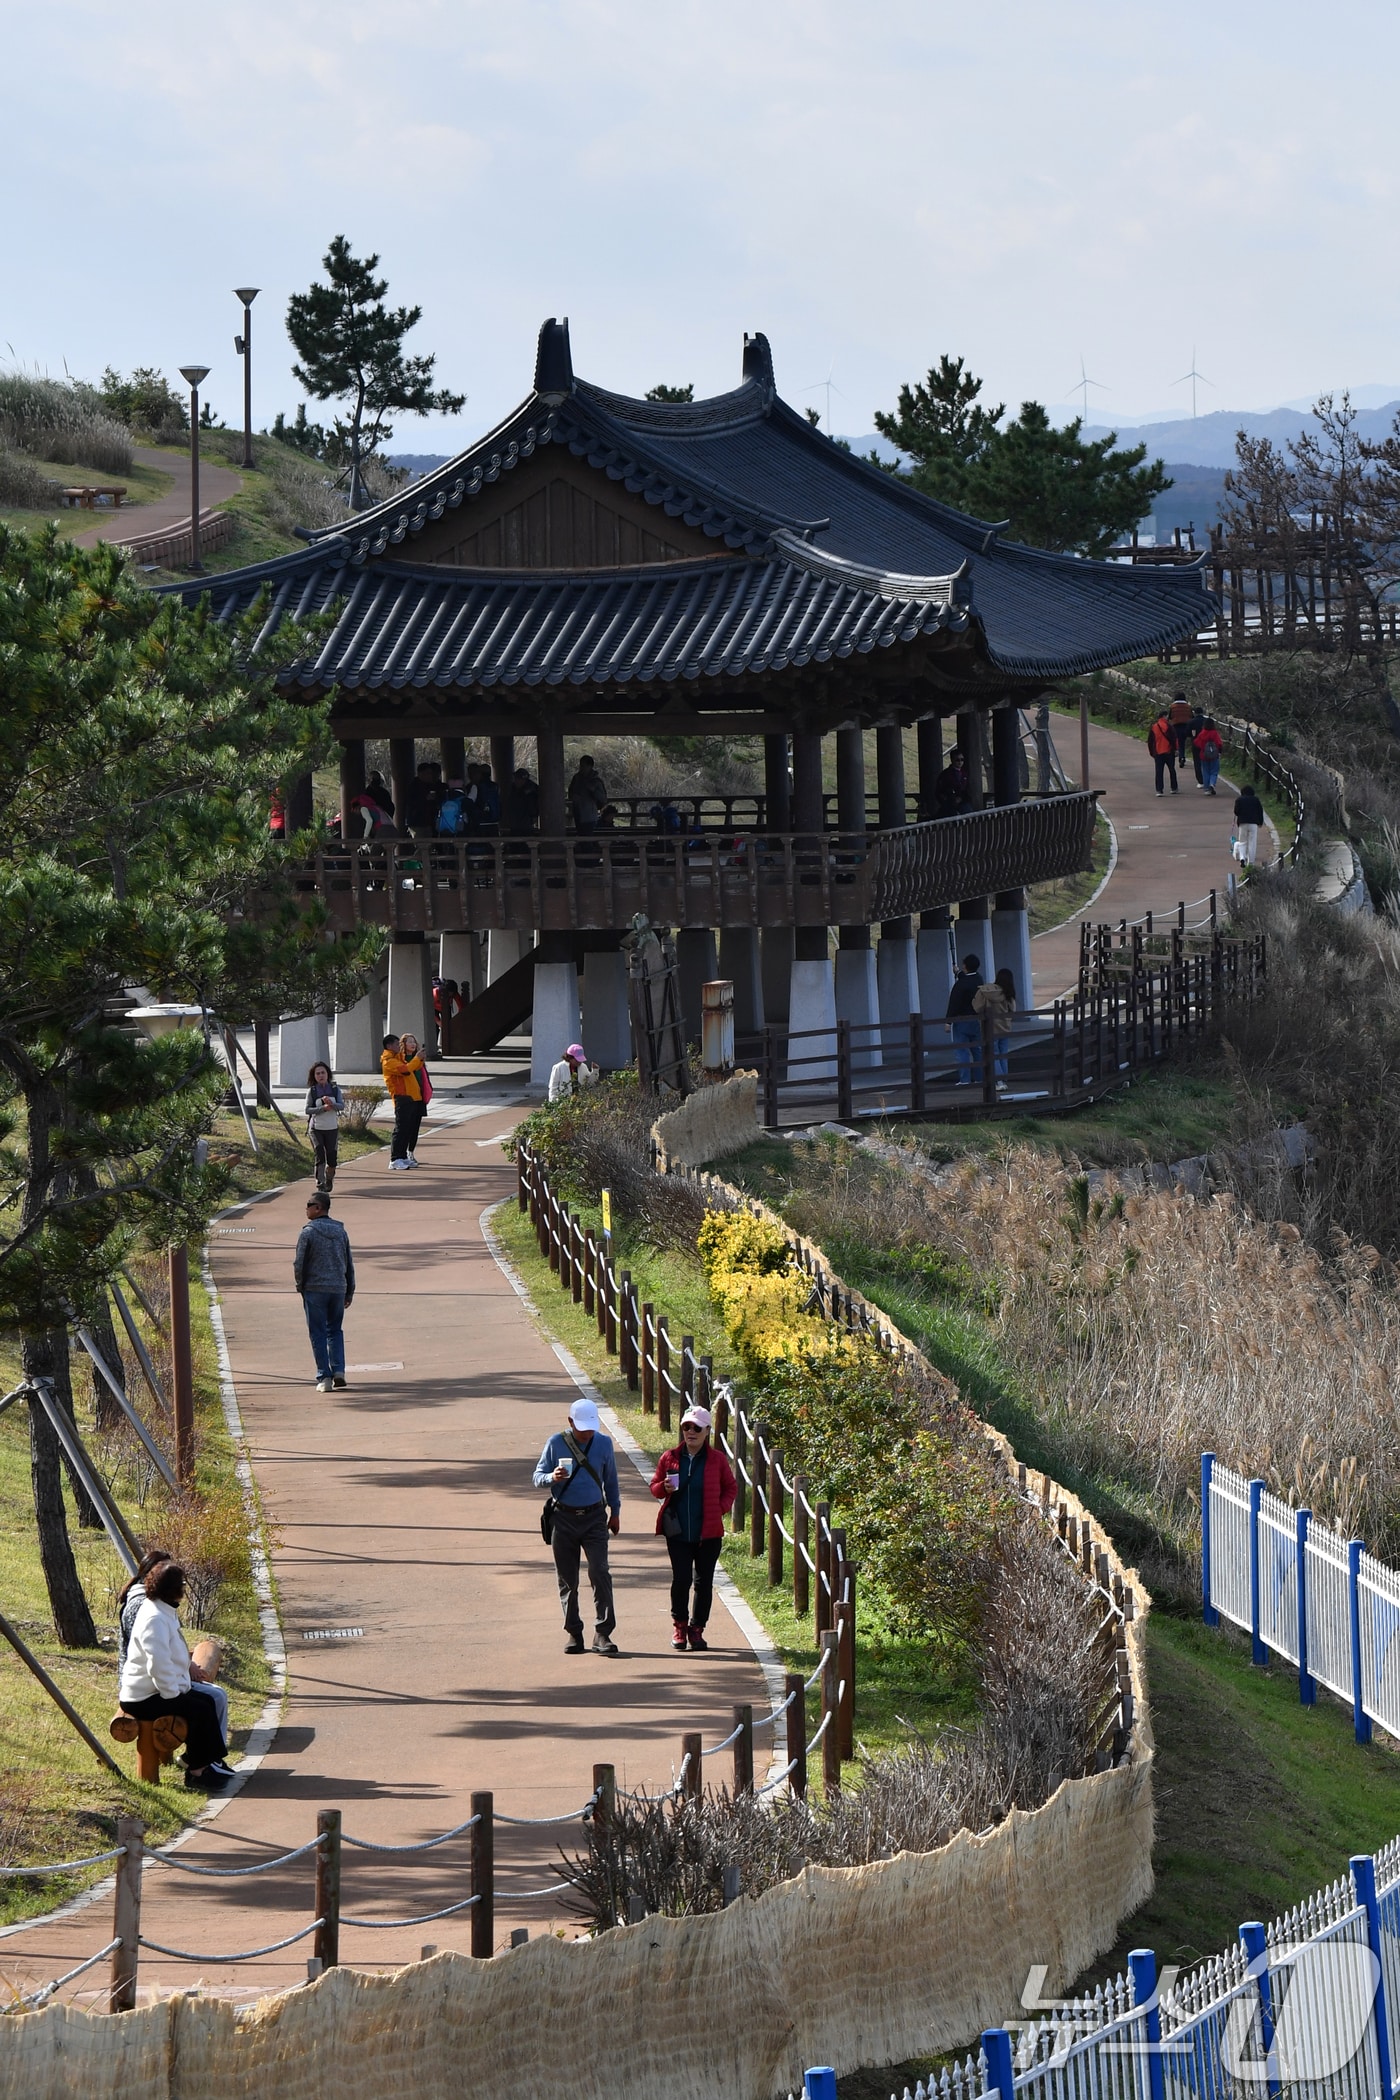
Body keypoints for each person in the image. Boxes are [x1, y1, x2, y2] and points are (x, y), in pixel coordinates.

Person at [118, 1561, 231, 1789]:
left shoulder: (162, 1610)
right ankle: (197, 1772)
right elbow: (157, 1665)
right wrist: (175, 1695)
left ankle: (200, 1762)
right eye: (182, 1584)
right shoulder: (154, 1618)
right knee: (198, 1710)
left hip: (158, 1690)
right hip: (143, 1698)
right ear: (173, 1589)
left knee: (207, 1701)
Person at [533, 1397, 621, 1654]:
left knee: (600, 1572)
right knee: (568, 1579)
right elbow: (537, 1477)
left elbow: (611, 1481)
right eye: (582, 1427)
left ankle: (603, 1633)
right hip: (563, 1518)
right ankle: (574, 1632)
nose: (587, 1432)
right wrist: (552, 1477)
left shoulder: (604, 1443)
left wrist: (615, 1512)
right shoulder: (555, 1443)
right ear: (570, 1422)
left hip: (595, 1518)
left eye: (591, 1426)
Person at [649, 1405, 737, 1651]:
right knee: (681, 1580)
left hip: (708, 1533)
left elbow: (731, 1487)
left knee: (703, 1582)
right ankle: (679, 1626)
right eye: (686, 1427)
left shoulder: (717, 1460)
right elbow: (654, 1486)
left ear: (707, 1431)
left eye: (697, 1428)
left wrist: (720, 1508)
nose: (691, 1432)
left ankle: (696, 1629)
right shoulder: (670, 1457)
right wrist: (663, 1489)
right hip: (678, 1532)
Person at [294, 1191, 355, 1392]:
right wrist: (349, 1290)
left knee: (317, 1332)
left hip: (315, 1289)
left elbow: (299, 1263)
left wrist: (300, 1285)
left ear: (318, 1207)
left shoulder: (307, 1232)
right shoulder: (341, 1231)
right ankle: (339, 1370)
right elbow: (348, 1262)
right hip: (338, 1288)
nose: (306, 1208)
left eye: (309, 1204)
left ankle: (324, 1377)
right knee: (335, 1330)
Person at [380, 1031, 430, 1169]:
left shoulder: (398, 1057)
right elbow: (406, 1069)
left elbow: (414, 1067)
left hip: (411, 1096)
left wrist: (420, 1059)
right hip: (401, 1097)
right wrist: (416, 1059)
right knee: (401, 1129)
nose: (399, 1046)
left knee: (407, 1129)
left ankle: (402, 1156)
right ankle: (395, 1159)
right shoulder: (388, 1061)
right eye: (396, 1044)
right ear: (389, 1046)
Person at [305, 1060, 345, 1194]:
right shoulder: (312, 1091)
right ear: (314, 1076)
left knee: (332, 1158)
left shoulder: (335, 1089)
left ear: (327, 1074)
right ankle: (320, 1183)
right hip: (316, 1129)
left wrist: (331, 1105)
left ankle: (329, 1178)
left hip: (332, 1128)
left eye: (323, 1073)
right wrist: (322, 1108)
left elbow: (341, 1106)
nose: (321, 1075)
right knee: (319, 1153)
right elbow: (308, 1110)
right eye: (317, 1074)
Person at [945, 953, 983, 1085]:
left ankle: (965, 1079)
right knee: (977, 1050)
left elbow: (954, 1003)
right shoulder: (979, 979)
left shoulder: (960, 985)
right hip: (976, 1019)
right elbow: (968, 979)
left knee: (962, 1051)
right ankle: (980, 1078)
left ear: (965, 966)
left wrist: (948, 1021)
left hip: (961, 1021)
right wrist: (959, 973)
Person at [973, 966, 1016, 1083]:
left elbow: (977, 1007)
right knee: (1003, 1054)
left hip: (990, 1028)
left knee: (993, 1054)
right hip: (1005, 1028)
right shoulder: (1008, 993)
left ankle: (999, 1081)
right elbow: (1013, 1010)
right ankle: (1004, 1079)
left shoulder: (986, 991)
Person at [568, 755, 609, 833]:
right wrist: (573, 797)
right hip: (578, 814)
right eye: (580, 765)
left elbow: (603, 799)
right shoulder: (576, 778)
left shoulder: (596, 781)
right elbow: (570, 792)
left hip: (590, 816)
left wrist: (593, 790)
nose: (581, 768)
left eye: (583, 766)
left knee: (588, 838)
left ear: (590, 766)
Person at [930, 749, 971, 819]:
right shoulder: (945, 774)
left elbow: (968, 789)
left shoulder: (964, 774)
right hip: (949, 805)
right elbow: (939, 792)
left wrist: (962, 798)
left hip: (963, 804)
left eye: (962, 759)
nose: (960, 762)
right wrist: (949, 801)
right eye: (957, 760)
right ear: (952, 760)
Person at [1148, 712, 1178, 797]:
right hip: (1169, 751)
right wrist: (1176, 749)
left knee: (1159, 771)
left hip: (1158, 752)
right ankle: (1174, 788)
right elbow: (1174, 738)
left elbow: (1150, 741)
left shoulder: (1154, 727)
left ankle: (1159, 790)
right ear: (1164, 716)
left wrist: (1152, 752)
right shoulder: (1169, 726)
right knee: (1172, 770)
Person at [1234, 784, 1265, 866]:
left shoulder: (1239, 800)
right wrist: (1260, 822)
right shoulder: (1256, 800)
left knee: (1242, 842)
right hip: (1253, 823)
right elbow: (1260, 811)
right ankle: (1251, 861)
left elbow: (1236, 812)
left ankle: (1242, 858)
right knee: (1252, 842)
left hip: (1242, 823)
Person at [504, 768, 540, 835]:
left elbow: (533, 806)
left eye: (518, 779)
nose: (516, 781)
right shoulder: (513, 788)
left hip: (526, 822)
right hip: (514, 822)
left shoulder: (532, 790)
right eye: (515, 778)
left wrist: (534, 815)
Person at [1194, 716, 1223, 796]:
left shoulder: (1202, 733)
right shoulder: (1214, 733)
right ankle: (1212, 783)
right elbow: (1219, 743)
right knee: (1214, 771)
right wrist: (1219, 752)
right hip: (1214, 755)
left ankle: (1206, 789)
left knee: (1205, 771)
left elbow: (1196, 743)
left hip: (1204, 755)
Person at [1168, 690, 1193, 767]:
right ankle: (1182, 757)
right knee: (1182, 742)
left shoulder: (1173, 706)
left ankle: (1177, 756)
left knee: (1176, 742)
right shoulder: (1188, 707)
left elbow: (1170, 717)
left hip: (1175, 726)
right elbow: (1191, 716)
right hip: (1186, 726)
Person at [1188, 702, 1209, 784]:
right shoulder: (1206, 721)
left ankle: (1200, 780)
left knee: (1197, 762)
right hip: (1206, 744)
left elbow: (1187, 732)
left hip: (1196, 743)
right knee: (1206, 761)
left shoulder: (1191, 722)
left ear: (1195, 713)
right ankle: (1207, 778)